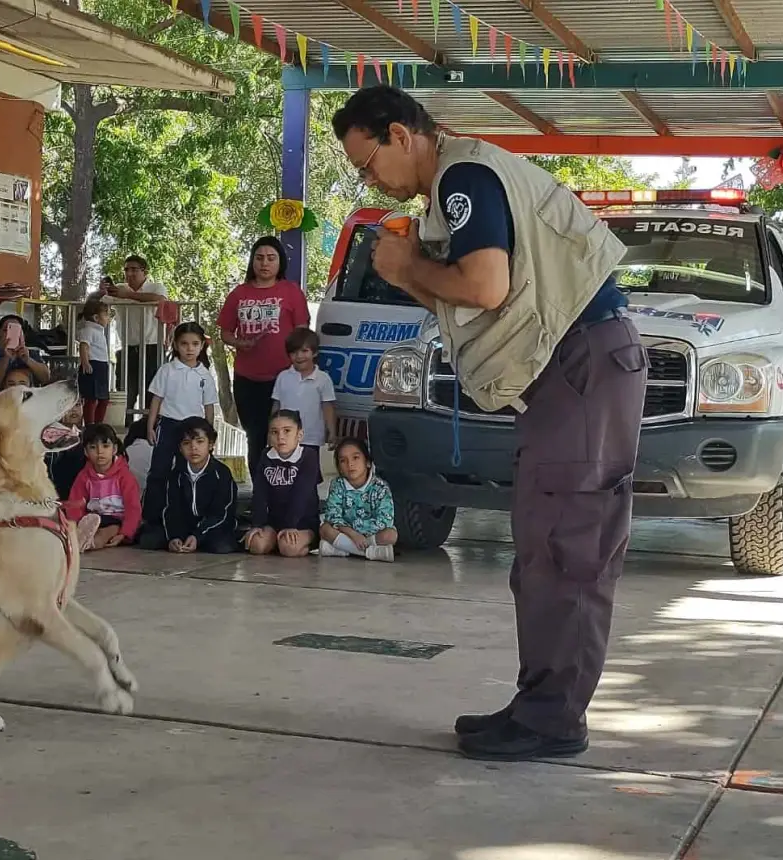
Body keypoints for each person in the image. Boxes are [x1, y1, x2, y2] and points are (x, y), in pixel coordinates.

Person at [332, 86, 647, 761]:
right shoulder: (458, 183)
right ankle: (538, 704)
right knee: (543, 545)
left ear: (400, 134)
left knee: (567, 547)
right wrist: (412, 270)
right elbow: (472, 291)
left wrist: (408, 265)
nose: (372, 183)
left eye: (367, 164)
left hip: (579, 364)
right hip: (570, 369)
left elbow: (486, 286)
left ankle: (554, 720)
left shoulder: (464, 177)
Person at [217, 237, 311, 478]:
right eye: (259, 258)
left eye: (271, 258)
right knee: (256, 435)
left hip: (284, 377)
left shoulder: (291, 292)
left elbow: (302, 332)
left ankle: (286, 489)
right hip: (247, 378)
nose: (264, 264)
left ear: (280, 262)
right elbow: (225, 332)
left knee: (284, 434)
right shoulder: (239, 293)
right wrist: (241, 342)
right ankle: (261, 492)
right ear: (252, 261)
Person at [143, 322, 217, 523]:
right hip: (168, 425)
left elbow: (209, 406)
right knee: (159, 470)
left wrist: (208, 434)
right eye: (184, 344)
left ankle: (186, 516)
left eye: (195, 344)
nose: (190, 349)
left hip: (194, 429)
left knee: (188, 471)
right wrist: (150, 426)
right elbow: (156, 400)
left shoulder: (205, 375)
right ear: (175, 345)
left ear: (202, 345)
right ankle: (152, 517)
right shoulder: (167, 370)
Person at [137, 416, 239, 555]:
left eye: (200, 441)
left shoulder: (221, 474)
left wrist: (198, 535)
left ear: (210, 444)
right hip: (185, 527)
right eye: (186, 443)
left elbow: (222, 512)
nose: (193, 448)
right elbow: (171, 509)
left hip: (212, 526)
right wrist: (174, 537)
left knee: (221, 546)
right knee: (148, 540)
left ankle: (197, 541)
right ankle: (184, 541)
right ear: (179, 448)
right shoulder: (176, 474)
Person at [244, 410, 320, 558]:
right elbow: (259, 493)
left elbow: (301, 494)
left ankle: (310, 542)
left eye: (287, 431)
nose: (281, 437)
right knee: (257, 545)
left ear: (299, 435)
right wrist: (257, 525)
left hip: (302, 522)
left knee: (289, 548)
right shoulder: (266, 456)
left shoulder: (309, 456)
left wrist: (291, 525)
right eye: (274, 432)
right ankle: (276, 540)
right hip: (275, 522)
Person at [107, 255, 167, 425]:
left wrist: (128, 295)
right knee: (126, 393)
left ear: (145, 271)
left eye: (134, 269)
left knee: (152, 394)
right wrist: (103, 290)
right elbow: (101, 300)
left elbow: (161, 300)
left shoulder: (156, 287)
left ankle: (150, 430)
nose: (129, 273)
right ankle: (124, 432)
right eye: (126, 270)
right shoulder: (119, 289)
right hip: (128, 348)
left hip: (152, 348)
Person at [63, 423, 142, 551]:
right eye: (93, 447)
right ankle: (78, 537)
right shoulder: (84, 476)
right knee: (88, 525)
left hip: (117, 520)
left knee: (106, 533)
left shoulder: (125, 477)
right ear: (86, 452)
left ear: (114, 449)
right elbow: (75, 503)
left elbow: (133, 507)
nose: (100, 452)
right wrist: (75, 523)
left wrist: (124, 533)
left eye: (105, 446)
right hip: (92, 518)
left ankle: (88, 544)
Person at [318, 438, 397, 562]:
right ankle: (369, 552)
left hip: (371, 534)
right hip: (346, 533)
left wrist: (360, 534)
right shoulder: (338, 485)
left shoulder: (380, 487)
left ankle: (342, 549)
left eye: (355, 458)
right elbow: (333, 516)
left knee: (391, 535)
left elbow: (385, 520)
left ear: (368, 462)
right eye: (343, 461)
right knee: (325, 529)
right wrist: (352, 534)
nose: (350, 464)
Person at [271, 326, 338, 455]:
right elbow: (276, 406)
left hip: (313, 440)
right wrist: (272, 432)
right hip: (285, 440)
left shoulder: (323, 379)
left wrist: (332, 433)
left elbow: (328, 408)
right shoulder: (283, 377)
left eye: (304, 351)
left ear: (315, 353)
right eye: (294, 352)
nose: (299, 356)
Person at [0, 314, 51, 396]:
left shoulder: (31, 354)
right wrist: (5, 358)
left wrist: (28, 360)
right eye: (5, 330)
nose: (10, 334)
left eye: (17, 331)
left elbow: (46, 378)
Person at [77, 297, 112, 426]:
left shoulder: (99, 331)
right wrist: (85, 362)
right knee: (91, 398)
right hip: (93, 365)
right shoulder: (88, 330)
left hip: (102, 365)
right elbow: (84, 346)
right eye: (106, 315)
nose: (108, 318)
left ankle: (99, 423)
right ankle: (90, 424)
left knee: (103, 398)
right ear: (96, 318)